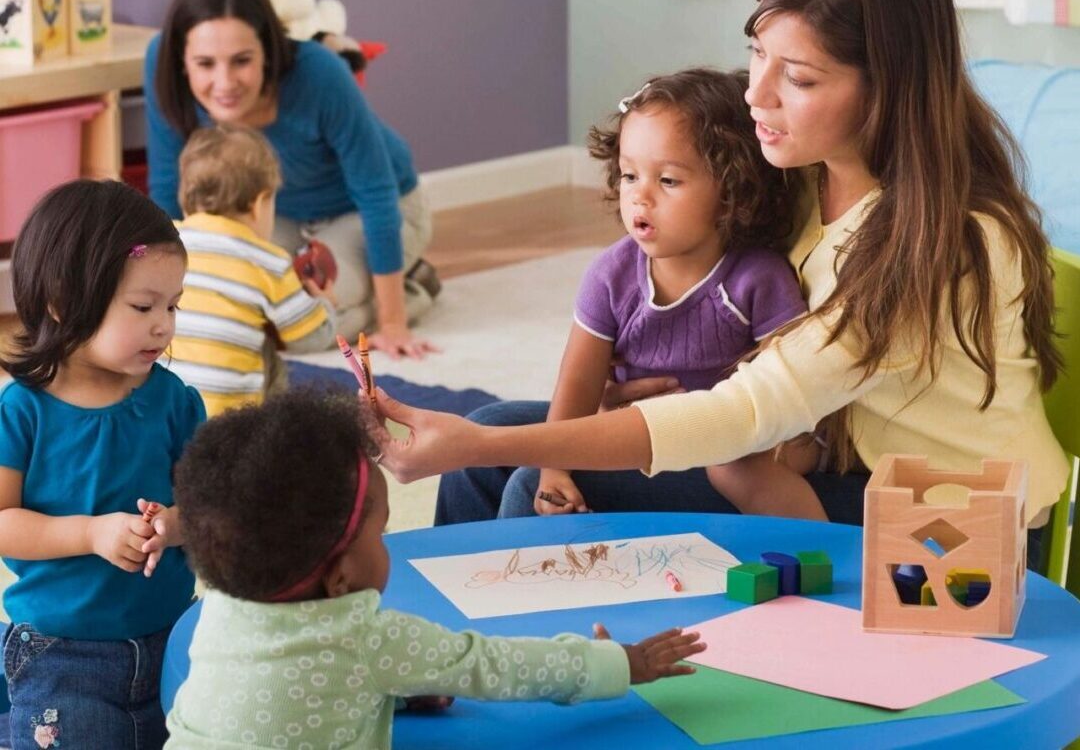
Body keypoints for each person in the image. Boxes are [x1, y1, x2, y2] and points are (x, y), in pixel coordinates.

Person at [374, 0, 1070, 556]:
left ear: (886, 89)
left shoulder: (939, 244)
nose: (756, 95)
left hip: (939, 529)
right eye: (757, 55)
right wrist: (559, 421)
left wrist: (487, 442)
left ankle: (534, 678)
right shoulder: (799, 178)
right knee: (490, 452)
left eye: (797, 77)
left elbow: (744, 413)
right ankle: (441, 661)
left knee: (531, 478)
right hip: (821, 461)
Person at [164, 392, 706, 749]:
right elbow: (497, 665)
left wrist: (398, 691)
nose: (388, 546)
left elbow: (290, 686)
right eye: (379, 535)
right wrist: (618, 663)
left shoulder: (218, 611)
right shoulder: (369, 641)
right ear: (341, 578)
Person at [508, 68, 830, 524]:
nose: (640, 196)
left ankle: (822, 558)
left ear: (731, 191)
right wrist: (554, 467)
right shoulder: (611, 276)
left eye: (669, 181)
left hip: (742, 440)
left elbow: (798, 387)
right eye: (629, 175)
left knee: (733, 467)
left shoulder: (757, 279)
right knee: (492, 429)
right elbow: (578, 385)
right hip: (647, 431)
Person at [144, 0, 440, 359]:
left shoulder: (319, 72)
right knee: (235, 306)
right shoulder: (159, 65)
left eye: (242, 60)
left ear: (268, 49)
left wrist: (392, 324)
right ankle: (386, 283)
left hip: (375, 211)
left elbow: (376, 193)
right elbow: (166, 189)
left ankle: (411, 291)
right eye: (205, 64)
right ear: (182, 59)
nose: (225, 82)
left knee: (297, 319)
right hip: (272, 215)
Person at [0, 180, 205, 750]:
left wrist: (179, 523)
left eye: (172, 305)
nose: (164, 325)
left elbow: (215, 497)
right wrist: (91, 533)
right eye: (143, 307)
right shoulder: (22, 411)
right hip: (63, 653)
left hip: (175, 636)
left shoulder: (174, 401)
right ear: (64, 302)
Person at [168, 123, 336, 417]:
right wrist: (326, 304)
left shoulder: (164, 243)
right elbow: (311, 339)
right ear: (260, 204)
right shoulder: (268, 261)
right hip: (232, 427)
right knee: (269, 355)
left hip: (164, 417)